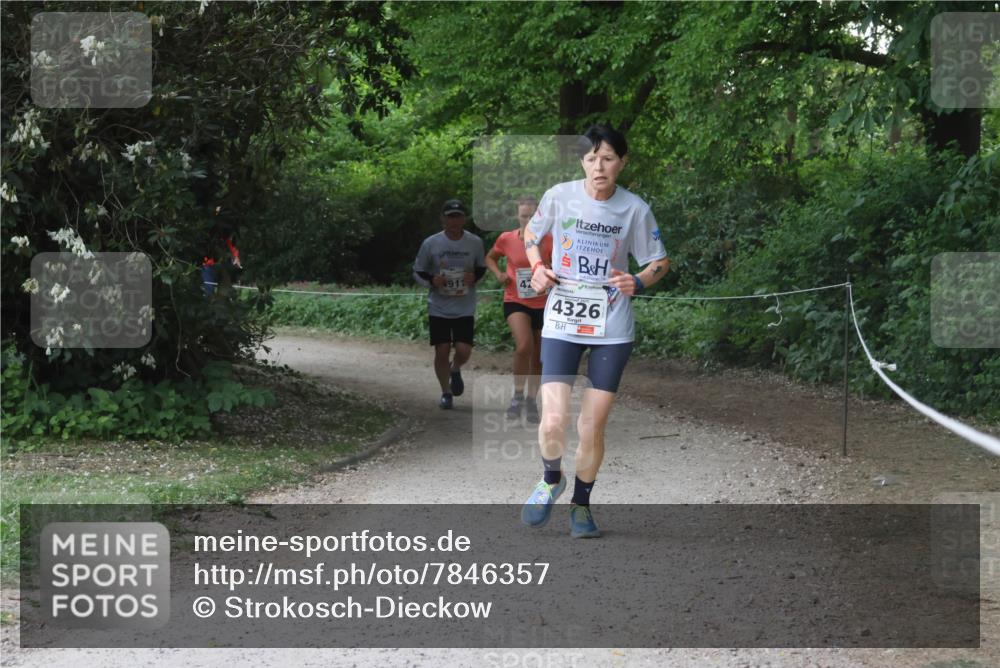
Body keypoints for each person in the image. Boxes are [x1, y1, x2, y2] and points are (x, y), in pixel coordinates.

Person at [520, 124, 670, 538]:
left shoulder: (634, 209)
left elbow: (659, 261)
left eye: (607, 158)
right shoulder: (559, 196)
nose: (598, 166)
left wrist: (637, 281)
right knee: (552, 421)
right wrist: (537, 267)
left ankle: (582, 506)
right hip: (562, 321)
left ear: (622, 162)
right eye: (591, 158)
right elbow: (531, 235)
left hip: (611, 327)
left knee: (591, 426)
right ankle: (551, 479)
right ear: (582, 162)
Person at [485, 197, 554, 423]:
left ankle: (531, 400)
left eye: (532, 215)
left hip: (543, 303)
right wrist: (499, 274)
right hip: (516, 299)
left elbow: (562, 266)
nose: (528, 219)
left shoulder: (550, 240)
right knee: (524, 344)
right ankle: (517, 395)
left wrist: (552, 273)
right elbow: (491, 257)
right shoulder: (507, 238)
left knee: (539, 357)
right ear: (518, 216)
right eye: (524, 215)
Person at [413, 199, 487, 409]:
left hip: (465, 305)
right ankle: (446, 392)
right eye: (450, 216)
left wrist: (474, 278)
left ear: (464, 218)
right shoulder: (431, 243)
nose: (454, 221)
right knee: (442, 350)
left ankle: (455, 368)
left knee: (464, 350)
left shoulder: (475, 242)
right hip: (439, 305)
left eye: (458, 216)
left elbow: (481, 268)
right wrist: (431, 281)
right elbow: (418, 270)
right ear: (443, 219)